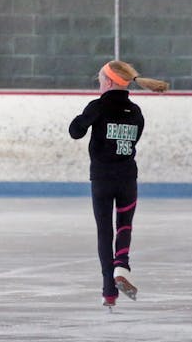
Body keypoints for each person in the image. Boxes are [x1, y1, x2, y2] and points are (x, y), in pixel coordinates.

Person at [68, 59, 169, 308]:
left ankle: (109, 291)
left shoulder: (98, 105)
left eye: (100, 80)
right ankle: (121, 265)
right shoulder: (135, 112)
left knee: (105, 231)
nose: (99, 85)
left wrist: (85, 118)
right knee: (125, 225)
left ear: (109, 81)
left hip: (102, 178)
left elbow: (75, 131)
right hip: (127, 178)